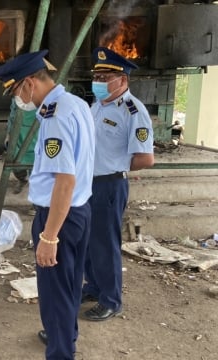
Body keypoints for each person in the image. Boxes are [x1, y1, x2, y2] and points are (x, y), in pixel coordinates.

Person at [0, 50, 95, 359]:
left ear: (29, 83)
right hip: (79, 211)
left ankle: (61, 351)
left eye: (15, 92)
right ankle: (65, 333)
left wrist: (50, 237)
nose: (16, 100)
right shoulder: (75, 103)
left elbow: (64, 181)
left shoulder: (55, 117)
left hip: (59, 216)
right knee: (70, 281)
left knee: (55, 291)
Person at [82, 47, 155, 322]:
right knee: (88, 241)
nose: (98, 82)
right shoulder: (97, 105)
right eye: (97, 76)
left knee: (105, 244)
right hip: (87, 184)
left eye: (105, 77)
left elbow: (146, 158)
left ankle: (111, 300)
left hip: (109, 186)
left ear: (122, 80)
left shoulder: (133, 111)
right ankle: (94, 287)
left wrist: (116, 168)